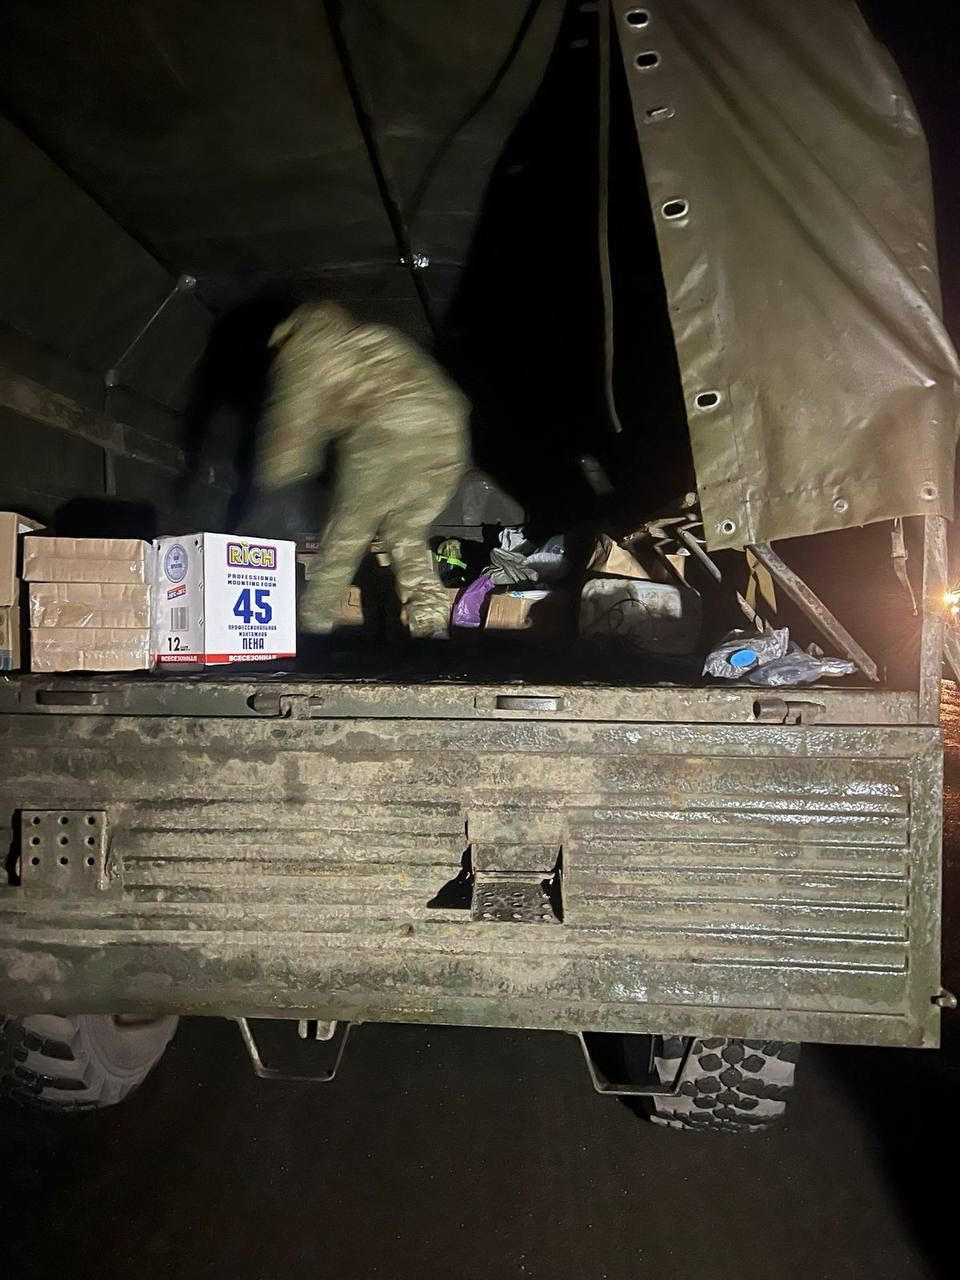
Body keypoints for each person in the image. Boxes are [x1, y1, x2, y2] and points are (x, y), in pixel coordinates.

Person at [256, 301, 469, 637]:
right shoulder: (375, 337)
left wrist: (273, 481)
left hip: (389, 429)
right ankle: (430, 621)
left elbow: (294, 419)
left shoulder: (308, 343)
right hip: (447, 434)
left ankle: (313, 623)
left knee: (348, 531)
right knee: (406, 532)